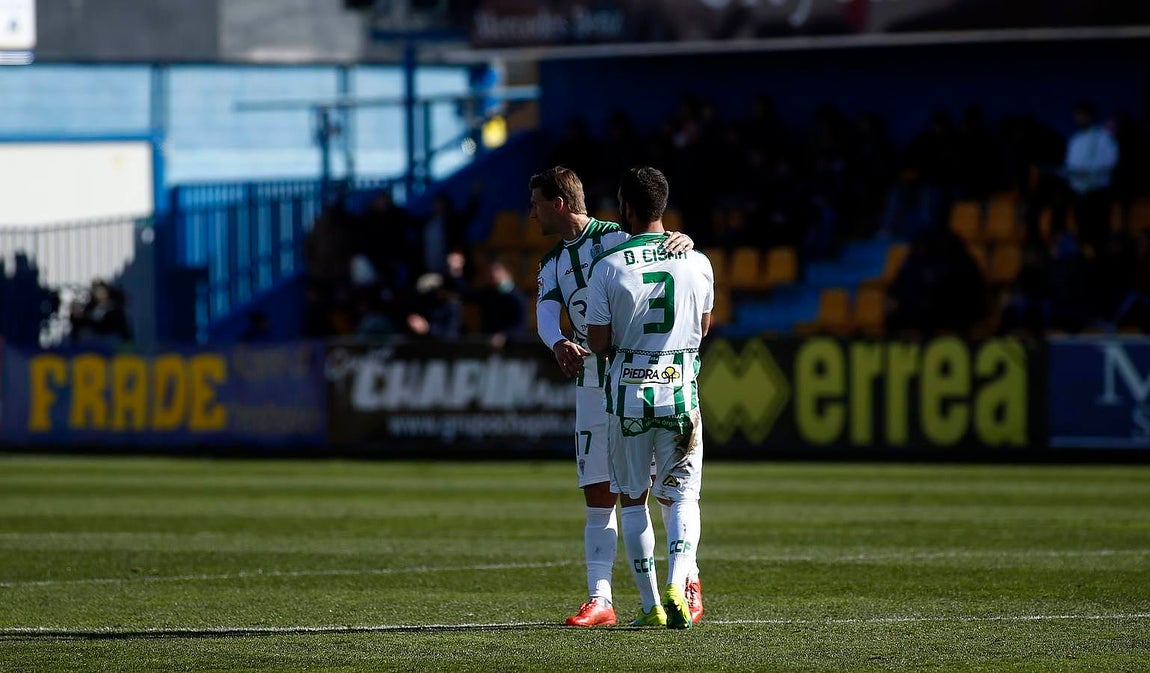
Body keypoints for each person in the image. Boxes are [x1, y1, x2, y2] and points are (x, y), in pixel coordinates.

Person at [530, 166, 700, 628]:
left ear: (558, 203)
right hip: (592, 385)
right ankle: (600, 598)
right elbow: (546, 314)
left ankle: (687, 579)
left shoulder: (615, 238)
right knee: (598, 491)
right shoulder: (552, 263)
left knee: (661, 488)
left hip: (635, 382)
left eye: (537, 204)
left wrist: (683, 239)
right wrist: (557, 342)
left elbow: (662, 252)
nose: (532, 214)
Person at [585, 166, 714, 629]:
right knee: (683, 497)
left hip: (629, 399)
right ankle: (680, 580)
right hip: (679, 395)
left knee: (633, 499)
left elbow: (598, 342)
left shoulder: (609, 266)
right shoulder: (698, 261)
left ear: (626, 207)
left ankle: (651, 604)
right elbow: (703, 327)